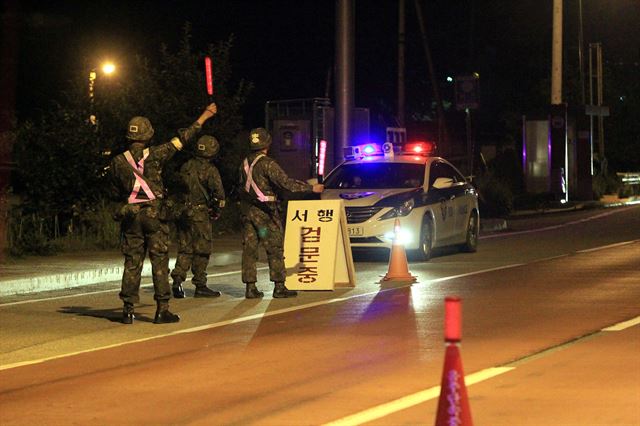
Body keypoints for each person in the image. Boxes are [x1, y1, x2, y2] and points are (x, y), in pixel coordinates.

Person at [109, 103, 217, 324]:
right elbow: (183, 139)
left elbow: (114, 192)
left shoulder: (117, 162)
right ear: (148, 135)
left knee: (132, 262)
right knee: (159, 262)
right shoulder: (157, 154)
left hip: (131, 216)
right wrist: (204, 116)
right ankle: (162, 309)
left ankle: (127, 310)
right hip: (154, 215)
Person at [238, 128, 324, 299]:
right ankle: (279, 286)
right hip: (266, 213)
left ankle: (250, 287)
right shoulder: (268, 164)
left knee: (250, 249)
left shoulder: (244, 163)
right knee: (275, 247)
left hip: (247, 211)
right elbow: (286, 183)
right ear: (267, 144)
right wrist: (311, 188)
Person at [170, 135, 225, 299]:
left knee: (185, 248)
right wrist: (217, 210)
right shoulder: (210, 170)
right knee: (202, 250)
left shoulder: (186, 166)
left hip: (183, 213)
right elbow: (219, 194)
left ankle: (177, 281)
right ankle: (200, 285)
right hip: (200, 214)